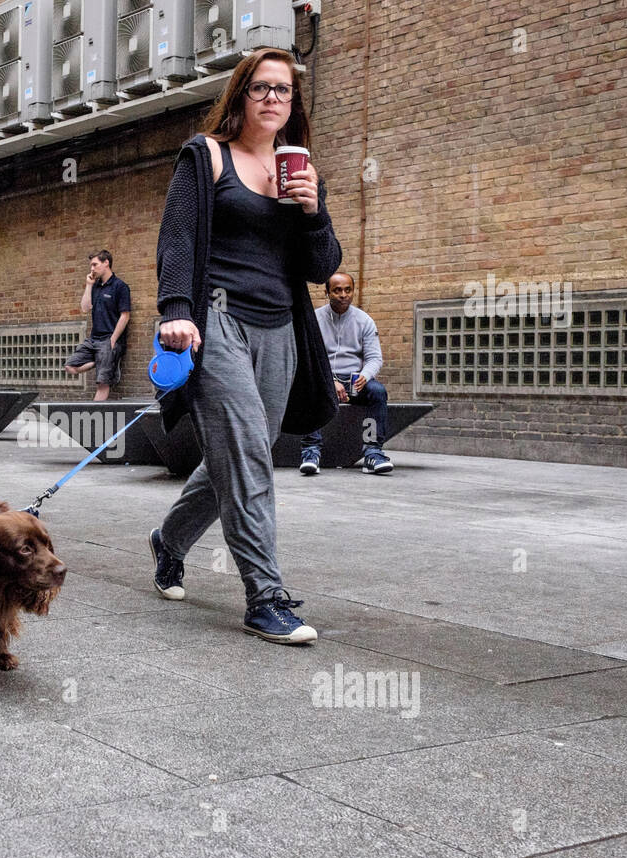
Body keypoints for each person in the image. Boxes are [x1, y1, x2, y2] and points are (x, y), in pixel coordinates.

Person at [148, 48, 342, 645]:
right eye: (261, 87)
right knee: (250, 455)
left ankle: (169, 541)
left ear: (293, 103)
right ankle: (266, 594)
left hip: (281, 328)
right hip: (218, 322)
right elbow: (178, 238)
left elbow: (322, 267)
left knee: (238, 452)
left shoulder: (301, 171)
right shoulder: (206, 156)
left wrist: (313, 212)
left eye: (283, 91)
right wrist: (177, 313)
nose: (272, 99)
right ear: (240, 94)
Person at [300, 272, 392, 475]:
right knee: (306, 389)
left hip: (355, 380)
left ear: (353, 292)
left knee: (377, 391)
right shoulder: (314, 319)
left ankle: (373, 453)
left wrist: (365, 376)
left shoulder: (364, 320)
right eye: (337, 290)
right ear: (327, 293)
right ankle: (311, 452)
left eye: (348, 290)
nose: (343, 295)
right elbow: (310, 358)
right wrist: (330, 380)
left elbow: (374, 358)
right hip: (325, 379)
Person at [64, 250, 131, 401]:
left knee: (102, 384)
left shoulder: (120, 287)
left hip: (109, 339)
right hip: (94, 340)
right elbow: (85, 308)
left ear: (106, 262)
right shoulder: (95, 287)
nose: (92, 269)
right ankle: (101, 362)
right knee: (70, 366)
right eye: (91, 266)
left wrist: (113, 340)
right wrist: (88, 285)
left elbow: (125, 316)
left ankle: (92, 421)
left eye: (95, 264)